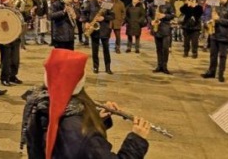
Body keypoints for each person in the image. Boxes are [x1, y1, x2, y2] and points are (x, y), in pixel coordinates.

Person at [21, 48, 150, 159]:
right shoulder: (83, 134)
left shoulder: (38, 104)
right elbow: (78, 141)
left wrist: (96, 119)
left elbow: (63, 145)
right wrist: (136, 140)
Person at [201, 0, 228, 82]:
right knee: (213, 55)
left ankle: (221, 74)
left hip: (224, 35)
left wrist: (219, 19)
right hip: (214, 34)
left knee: (222, 56)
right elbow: (212, 17)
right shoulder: (217, 6)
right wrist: (210, 21)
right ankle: (211, 72)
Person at [82, 0, 115, 74]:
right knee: (95, 50)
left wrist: (104, 18)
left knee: (106, 50)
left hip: (105, 29)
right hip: (94, 30)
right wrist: (86, 22)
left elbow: (113, 16)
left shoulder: (108, 4)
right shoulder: (91, 3)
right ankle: (95, 67)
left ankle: (108, 68)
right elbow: (83, 13)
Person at [0, 0, 24, 87]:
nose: (13, 2)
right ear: (6, 2)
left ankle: (13, 76)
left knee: (15, 59)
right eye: (11, 0)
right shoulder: (1, 12)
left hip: (16, 38)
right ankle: (4, 78)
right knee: (6, 60)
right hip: (6, 39)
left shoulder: (15, 10)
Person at [149, 0, 175, 74]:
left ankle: (165, 66)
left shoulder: (168, 5)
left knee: (165, 48)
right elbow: (148, 15)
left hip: (165, 29)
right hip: (156, 29)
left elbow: (172, 15)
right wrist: (151, 21)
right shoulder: (151, 5)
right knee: (158, 49)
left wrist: (164, 16)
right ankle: (159, 66)